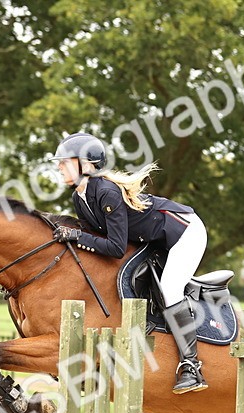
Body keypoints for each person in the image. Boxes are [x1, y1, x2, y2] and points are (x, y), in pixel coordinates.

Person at [48, 133, 208, 394]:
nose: (59, 166)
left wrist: (76, 236)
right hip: (152, 239)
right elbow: (97, 242)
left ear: (86, 165)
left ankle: (192, 366)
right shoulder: (80, 198)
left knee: (169, 287)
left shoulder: (107, 192)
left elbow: (115, 247)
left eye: (65, 161)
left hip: (184, 232)